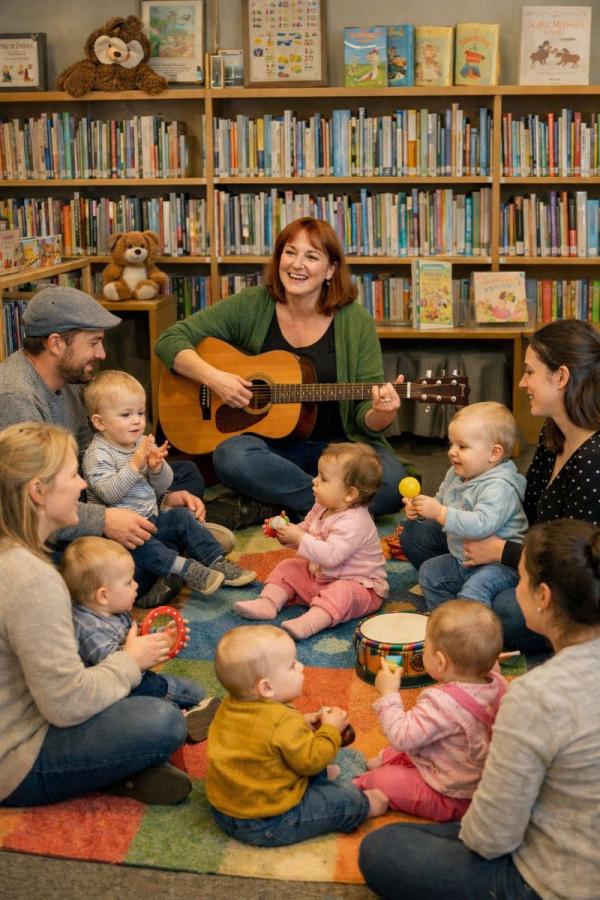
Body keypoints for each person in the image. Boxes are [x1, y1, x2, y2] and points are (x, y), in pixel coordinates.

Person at [359, 518, 600, 899]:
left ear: (544, 597)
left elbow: (490, 839)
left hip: (557, 880)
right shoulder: (534, 689)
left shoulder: (535, 697)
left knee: (382, 849)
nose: (516, 588)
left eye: (519, 580)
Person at [154, 216, 408, 530]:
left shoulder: (355, 322)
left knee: (393, 484)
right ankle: (327, 509)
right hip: (272, 451)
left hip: (340, 450)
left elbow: (364, 415)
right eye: (290, 252)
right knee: (230, 456)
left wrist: (381, 414)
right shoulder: (253, 305)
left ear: (330, 269)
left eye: (312, 257)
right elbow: (169, 340)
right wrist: (215, 378)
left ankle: (274, 502)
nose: (297, 265)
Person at [0, 284, 231, 606]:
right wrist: (105, 520)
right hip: (50, 522)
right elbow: (29, 507)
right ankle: (172, 543)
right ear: (55, 343)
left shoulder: (66, 382)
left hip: (91, 490)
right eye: (93, 342)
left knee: (186, 473)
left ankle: (167, 536)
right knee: (86, 573)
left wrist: (159, 493)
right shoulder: (16, 399)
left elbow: (94, 459)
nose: (102, 354)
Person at [0, 422, 192, 807]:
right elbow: (66, 705)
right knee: (163, 720)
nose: (83, 486)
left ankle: (121, 771)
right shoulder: (31, 579)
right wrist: (130, 661)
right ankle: (116, 774)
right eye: (73, 475)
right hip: (15, 761)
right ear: (38, 491)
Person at [401, 320, 600, 652]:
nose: (522, 383)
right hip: (524, 548)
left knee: (509, 610)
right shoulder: (553, 434)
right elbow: (524, 507)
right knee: (416, 534)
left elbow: (580, 565)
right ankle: (469, 594)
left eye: (530, 372)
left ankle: (471, 627)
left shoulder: (593, 461)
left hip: (565, 582)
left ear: (561, 377)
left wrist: (503, 552)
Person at [205, 624, 388, 846]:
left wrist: (301, 723)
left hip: (224, 810)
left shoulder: (230, 704)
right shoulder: (283, 722)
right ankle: (364, 805)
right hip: (268, 821)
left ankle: (315, 783)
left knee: (305, 744)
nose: (301, 666)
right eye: (292, 666)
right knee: (344, 797)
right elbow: (311, 762)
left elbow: (261, 738)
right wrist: (331, 730)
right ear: (267, 688)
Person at [82, 370, 256, 595]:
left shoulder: (140, 442)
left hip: (152, 518)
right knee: (144, 549)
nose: (136, 421)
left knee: (182, 516)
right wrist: (135, 465)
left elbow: (162, 487)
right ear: (99, 422)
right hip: (122, 537)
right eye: (125, 415)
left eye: (141, 413)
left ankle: (215, 559)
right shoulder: (97, 454)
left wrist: (157, 468)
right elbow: (108, 494)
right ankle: (188, 568)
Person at [353, 600, 507, 821]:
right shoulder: (498, 682)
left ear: (441, 662)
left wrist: (388, 694)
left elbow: (402, 736)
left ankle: (355, 788)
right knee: (396, 755)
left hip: (453, 794)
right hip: (470, 770)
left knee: (383, 780)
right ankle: (386, 764)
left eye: (426, 646)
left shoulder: (441, 703)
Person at [61, 536, 221, 743]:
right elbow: (113, 667)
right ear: (103, 595)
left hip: (136, 679)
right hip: (117, 694)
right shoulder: (88, 629)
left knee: (196, 691)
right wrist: (144, 654)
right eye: (128, 582)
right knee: (159, 695)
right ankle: (181, 720)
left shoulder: (113, 610)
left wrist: (161, 635)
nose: (136, 585)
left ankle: (184, 712)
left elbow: (135, 634)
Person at [234, 442, 387, 640]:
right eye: (317, 475)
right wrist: (287, 533)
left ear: (350, 494)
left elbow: (331, 556)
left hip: (360, 587)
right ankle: (268, 602)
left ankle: (310, 622)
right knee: (289, 566)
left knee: (342, 593)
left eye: (323, 478)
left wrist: (299, 538)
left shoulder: (356, 522)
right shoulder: (322, 506)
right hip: (320, 577)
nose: (314, 481)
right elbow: (306, 529)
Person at [403, 402, 527, 609]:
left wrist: (440, 512)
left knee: (474, 591)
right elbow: (440, 501)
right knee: (429, 573)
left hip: (499, 565)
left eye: (462, 446)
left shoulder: (499, 486)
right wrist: (422, 509)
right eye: (451, 444)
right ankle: (448, 620)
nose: (452, 452)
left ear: (494, 454)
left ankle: (469, 634)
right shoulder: (455, 473)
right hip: (462, 558)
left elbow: (482, 524)